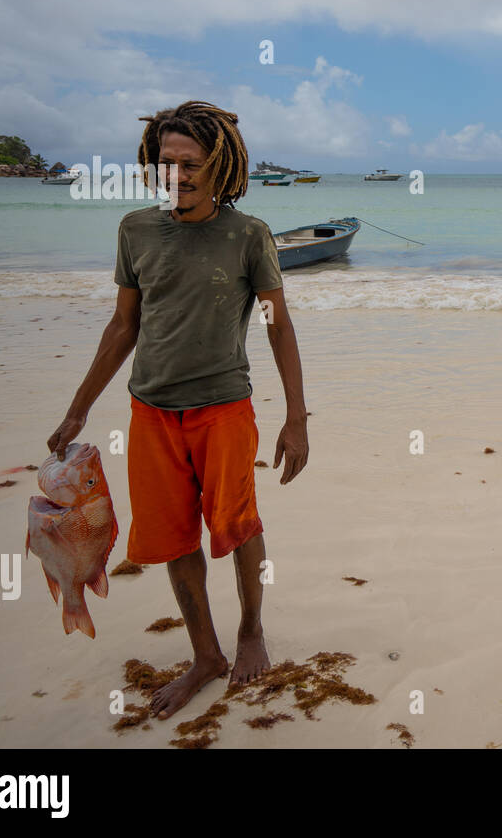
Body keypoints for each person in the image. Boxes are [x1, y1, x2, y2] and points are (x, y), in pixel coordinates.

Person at [47, 100, 309, 720]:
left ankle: (249, 630)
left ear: (219, 168)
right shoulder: (137, 230)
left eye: (192, 165)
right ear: (152, 166)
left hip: (224, 410)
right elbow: (123, 325)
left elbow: (277, 324)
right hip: (153, 413)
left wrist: (296, 417)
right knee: (171, 538)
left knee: (239, 526)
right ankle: (205, 654)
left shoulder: (249, 235)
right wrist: (78, 409)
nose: (178, 176)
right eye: (167, 164)